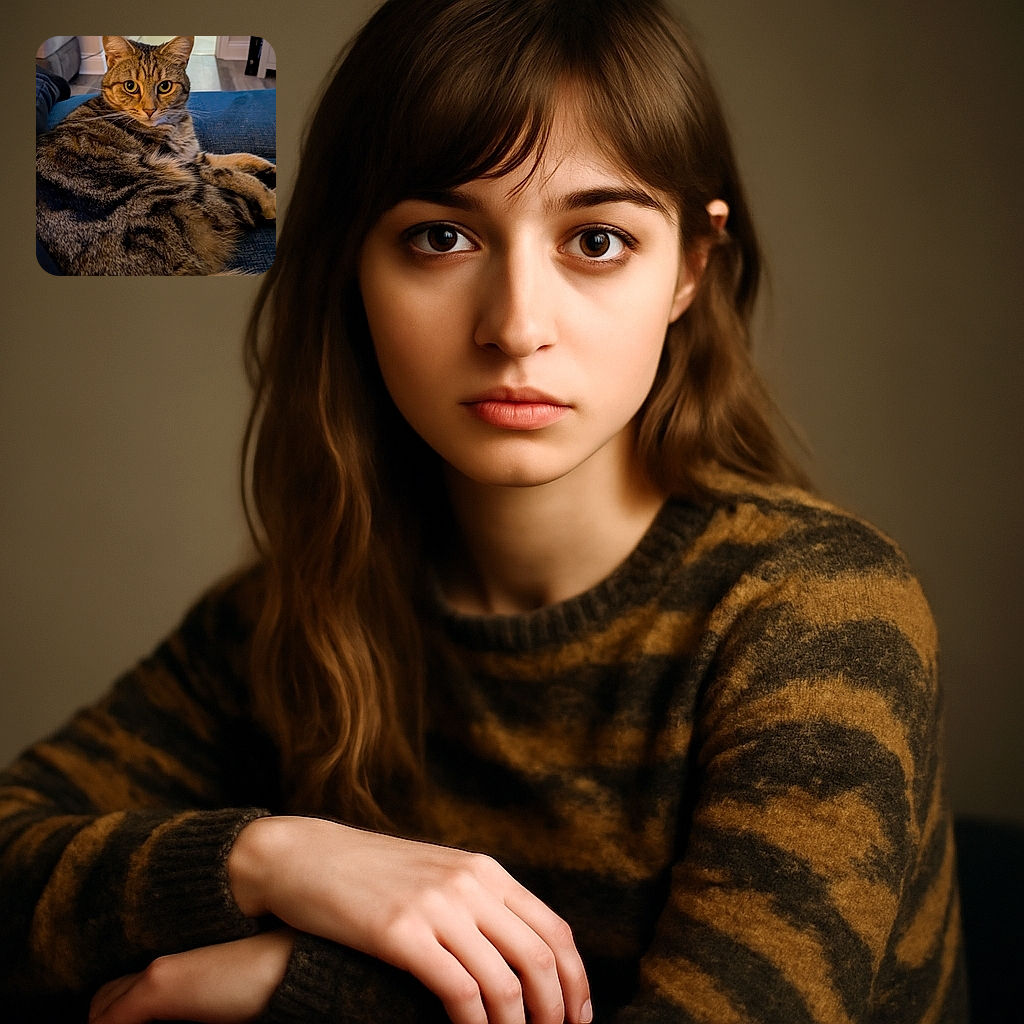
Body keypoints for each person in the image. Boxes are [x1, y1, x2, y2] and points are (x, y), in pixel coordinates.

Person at [0, 1, 967, 1021]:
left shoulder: (816, 619)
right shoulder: (291, 618)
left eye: (596, 239)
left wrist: (309, 986)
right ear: (350, 266)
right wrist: (267, 856)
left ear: (690, 263)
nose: (515, 327)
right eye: (441, 236)